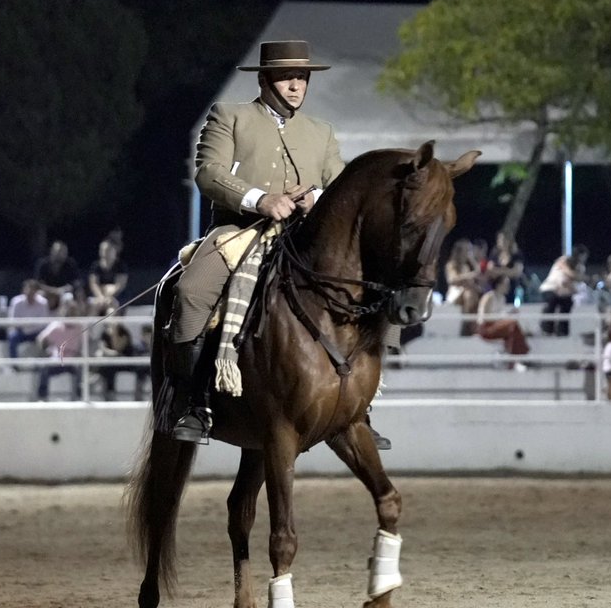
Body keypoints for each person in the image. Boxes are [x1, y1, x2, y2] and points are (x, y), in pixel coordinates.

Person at [166, 39, 390, 449]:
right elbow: (208, 173)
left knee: (373, 292)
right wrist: (260, 199)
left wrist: (315, 199)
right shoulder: (229, 116)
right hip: (241, 230)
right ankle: (192, 401)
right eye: (288, 77)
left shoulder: (321, 132)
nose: (296, 85)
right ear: (265, 78)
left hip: (306, 238)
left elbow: (341, 188)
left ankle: (361, 407)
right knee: (192, 292)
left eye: (302, 78)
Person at [34, 295, 83, 401]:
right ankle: (42, 397)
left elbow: (87, 343)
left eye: (73, 311)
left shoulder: (80, 328)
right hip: (57, 359)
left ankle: (79, 396)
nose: (71, 314)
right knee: (44, 368)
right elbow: (41, 339)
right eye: (69, 311)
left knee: (82, 368)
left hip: (73, 360)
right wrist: (44, 351)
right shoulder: (56, 326)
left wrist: (81, 353)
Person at [476, 273, 530, 365]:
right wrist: (505, 317)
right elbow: (484, 317)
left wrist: (508, 314)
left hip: (496, 325)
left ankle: (514, 360)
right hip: (486, 328)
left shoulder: (502, 298)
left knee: (513, 330)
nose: (508, 287)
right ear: (499, 285)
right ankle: (522, 356)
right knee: (513, 325)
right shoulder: (489, 297)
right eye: (506, 284)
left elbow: (499, 315)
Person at [539, 245, 589, 336]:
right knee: (552, 302)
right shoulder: (563, 260)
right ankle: (547, 329)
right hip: (550, 288)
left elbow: (572, 282)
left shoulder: (579, 267)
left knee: (567, 303)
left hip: (563, 292)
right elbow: (565, 280)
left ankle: (562, 331)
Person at [93, 304, 135, 400]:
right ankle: (106, 392)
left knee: (109, 368)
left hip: (125, 361)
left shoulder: (124, 331)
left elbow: (118, 347)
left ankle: (106, 390)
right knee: (106, 366)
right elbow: (102, 347)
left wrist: (114, 332)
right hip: (112, 359)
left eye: (114, 316)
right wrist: (112, 354)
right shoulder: (104, 332)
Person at [444, 239, 482, 334]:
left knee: (474, 293)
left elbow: (478, 272)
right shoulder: (451, 265)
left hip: (467, 295)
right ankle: (466, 325)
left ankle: (472, 324)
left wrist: (472, 259)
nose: (468, 253)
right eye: (467, 251)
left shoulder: (465, 267)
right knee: (469, 294)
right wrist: (469, 276)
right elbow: (452, 280)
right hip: (454, 295)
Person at [7, 279, 49, 360]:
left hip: (37, 332)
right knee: (12, 337)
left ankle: (42, 367)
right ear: (24, 290)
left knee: (47, 337)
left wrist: (31, 327)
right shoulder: (16, 302)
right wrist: (26, 326)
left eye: (33, 290)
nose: (30, 292)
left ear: (36, 291)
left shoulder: (43, 303)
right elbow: (13, 320)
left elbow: (43, 323)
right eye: (28, 289)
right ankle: (14, 365)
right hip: (21, 331)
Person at [34, 241, 81, 311]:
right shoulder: (43, 264)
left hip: (63, 292)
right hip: (47, 292)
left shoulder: (71, 264)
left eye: (64, 252)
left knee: (69, 297)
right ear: (52, 251)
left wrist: (62, 290)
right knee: (39, 296)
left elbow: (75, 283)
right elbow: (39, 284)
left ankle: (61, 320)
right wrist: (54, 291)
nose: (61, 254)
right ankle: (41, 320)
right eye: (59, 251)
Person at [87, 239, 129, 312]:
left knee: (111, 309)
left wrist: (108, 297)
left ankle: (112, 322)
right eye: (102, 250)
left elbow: (119, 285)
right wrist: (101, 297)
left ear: (114, 251)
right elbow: (94, 284)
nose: (105, 253)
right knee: (93, 306)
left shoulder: (120, 266)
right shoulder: (95, 266)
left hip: (116, 296)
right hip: (99, 296)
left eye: (108, 250)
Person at [486, 230, 525, 302]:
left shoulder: (516, 254)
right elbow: (490, 269)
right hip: (496, 287)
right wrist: (508, 271)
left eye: (504, 240)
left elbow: (516, 272)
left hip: (512, 287)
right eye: (499, 239)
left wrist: (498, 271)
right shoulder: (495, 253)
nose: (501, 242)